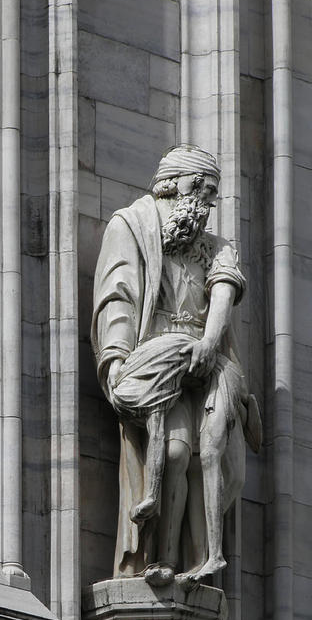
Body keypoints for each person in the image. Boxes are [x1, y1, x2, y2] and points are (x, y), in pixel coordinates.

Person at [92, 145, 260, 587]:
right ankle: (158, 560)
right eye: (200, 189)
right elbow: (118, 296)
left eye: (213, 193)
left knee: (211, 458)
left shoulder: (216, 247)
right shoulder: (132, 227)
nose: (207, 202)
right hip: (154, 357)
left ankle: (194, 557)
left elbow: (223, 293)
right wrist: (115, 356)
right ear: (172, 185)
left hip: (201, 360)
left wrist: (207, 343)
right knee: (174, 453)